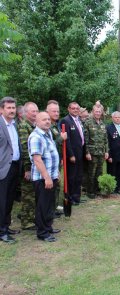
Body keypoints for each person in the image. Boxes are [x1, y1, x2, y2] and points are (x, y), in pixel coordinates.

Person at [28, 112, 60, 242]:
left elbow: (52, 154)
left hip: (51, 176)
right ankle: (42, 232)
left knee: (50, 204)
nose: (47, 121)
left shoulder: (48, 134)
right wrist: (47, 177)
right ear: (36, 122)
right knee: (43, 206)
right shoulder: (36, 137)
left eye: (48, 119)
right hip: (43, 179)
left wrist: (55, 172)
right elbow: (37, 160)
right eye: (44, 119)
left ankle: (48, 226)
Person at [0, 97, 21, 243]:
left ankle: (6, 226)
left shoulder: (14, 124)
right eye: (9, 108)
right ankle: (2, 232)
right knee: (2, 201)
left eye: (13, 108)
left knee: (9, 199)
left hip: (14, 166)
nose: (12, 110)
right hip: (3, 168)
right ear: (1, 109)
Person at [19, 102, 39, 230]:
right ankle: (26, 222)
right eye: (33, 111)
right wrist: (27, 168)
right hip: (28, 166)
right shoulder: (23, 126)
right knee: (28, 195)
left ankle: (30, 217)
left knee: (33, 193)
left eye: (37, 111)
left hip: (34, 165)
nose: (36, 113)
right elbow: (25, 149)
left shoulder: (33, 125)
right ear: (26, 113)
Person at [60, 102, 85, 205]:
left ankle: (76, 196)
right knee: (71, 177)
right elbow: (67, 140)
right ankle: (69, 197)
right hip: (73, 154)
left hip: (80, 152)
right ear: (69, 109)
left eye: (77, 108)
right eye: (73, 108)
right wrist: (71, 155)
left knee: (79, 176)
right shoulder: (66, 120)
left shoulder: (79, 120)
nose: (75, 110)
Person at [46, 100, 67, 216]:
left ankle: (53, 208)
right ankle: (50, 210)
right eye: (53, 111)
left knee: (57, 184)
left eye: (57, 111)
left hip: (57, 160)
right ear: (47, 111)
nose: (56, 113)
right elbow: (48, 145)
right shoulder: (46, 126)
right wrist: (61, 138)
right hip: (49, 163)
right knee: (52, 186)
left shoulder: (56, 125)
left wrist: (62, 158)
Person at [83, 105, 109, 198]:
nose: (98, 113)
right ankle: (90, 192)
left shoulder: (102, 123)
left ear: (101, 112)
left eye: (99, 111)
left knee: (99, 172)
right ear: (93, 112)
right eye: (96, 111)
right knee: (91, 173)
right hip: (92, 152)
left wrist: (106, 151)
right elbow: (85, 140)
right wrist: (87, 152)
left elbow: (105, 139)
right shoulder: (88, 123)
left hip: (101, 152)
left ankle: (97, 190)